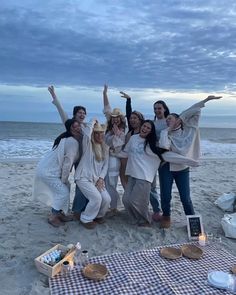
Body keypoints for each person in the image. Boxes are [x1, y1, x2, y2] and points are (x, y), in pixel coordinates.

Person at [158, 95, 222, 228]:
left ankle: (192, 220)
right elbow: (164, 147)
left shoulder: (189, 131)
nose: (168, 121)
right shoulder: (165, 134)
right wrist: (168, 129)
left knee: (186, 198)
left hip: (182, 169)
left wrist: (205, 101)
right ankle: (166, 216)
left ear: (179, 120)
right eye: (167, 119)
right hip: (166, 167)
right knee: (165, 196)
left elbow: (194, 112)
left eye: (170, 118)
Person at [48, 85, 88, 219]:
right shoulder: (70, 123)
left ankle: (77, 208)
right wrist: (54, 96)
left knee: (80, 182)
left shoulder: (87, 127)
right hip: (70, 157)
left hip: (82, 159)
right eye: (79, 113)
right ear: (75, 115)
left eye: (83, 113)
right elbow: (61, 111)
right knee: (63, 181)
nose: (82, 115)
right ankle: (60, 207)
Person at [33, 119, 82, 227]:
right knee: (63, 192)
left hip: (46, 168)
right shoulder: (72, 141)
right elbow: (67, 163)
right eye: (74, 127)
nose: (77, 128)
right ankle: (53, 216)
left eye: (79, 126)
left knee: (65, 189)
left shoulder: (66, 138)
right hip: (49, 172)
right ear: (70, 129)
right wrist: (63, 180)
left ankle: (59, 213)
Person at [121, 120, 164, 226]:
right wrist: (112, 152)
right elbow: (125, 153)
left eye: (148, 128)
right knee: (126, 200)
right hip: (132, 174)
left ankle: (146, 220)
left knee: (135, 201)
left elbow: (162, 156)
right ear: (141, 126)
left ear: (151, 131)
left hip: (144, 176)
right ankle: (136, 218)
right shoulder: (133, 138)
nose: (145, 129)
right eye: (144, 126)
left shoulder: (151, 143)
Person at [74, 121, 111, 229]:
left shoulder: (105, 148)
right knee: (96, 198)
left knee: (106, 199)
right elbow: (86, 133)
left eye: (101, 133)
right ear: (93, 135)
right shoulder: (88, 145)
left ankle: (98, 216)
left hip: (96, 179)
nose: (99, 135)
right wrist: (93, 120)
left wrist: (101, 178)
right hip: (83, 178)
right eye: (96, 133)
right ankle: (85, 218)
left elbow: (106, 166)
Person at [103, 84, 126, 213]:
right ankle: (107, 204)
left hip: (114, 159)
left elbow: (117, 150)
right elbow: (107, 109)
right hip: (104, 158)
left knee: (111, 181)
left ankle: (114, 206)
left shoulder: (122, 131)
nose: (115, 120)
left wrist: (116, 136)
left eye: (118, 118)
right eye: (114, 118)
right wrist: (105, 93)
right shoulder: (109, 126)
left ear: (121, 119)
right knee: (104, 181)